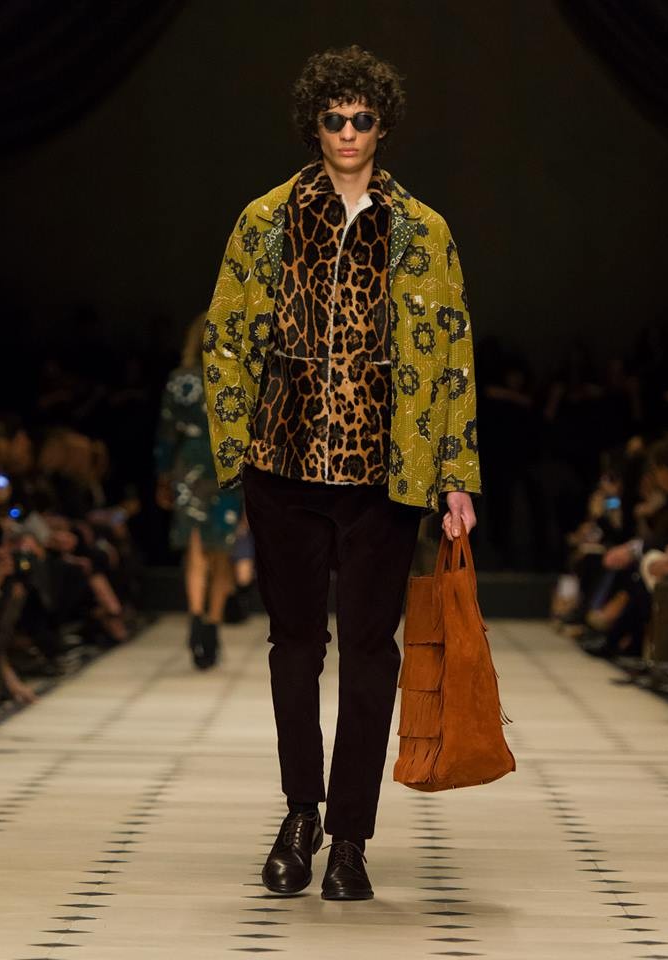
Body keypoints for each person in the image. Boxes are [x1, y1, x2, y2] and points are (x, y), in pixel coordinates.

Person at [203, 45, 480, 900]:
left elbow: (452, 356)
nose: (348, 131)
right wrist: (235, 450)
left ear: (381, 125)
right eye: (334, 118)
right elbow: (226, 336)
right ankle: (301, 814)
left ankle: (350, 837)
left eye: (362, 118)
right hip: (282, 467)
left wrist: (455, 474)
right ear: (314, 124)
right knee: (294, 647)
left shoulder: (422, 230)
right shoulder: (266, 219)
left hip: (381, 477)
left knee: (368, 653)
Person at [155, 314, 243, 669]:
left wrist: (163, 476)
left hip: (189, 462)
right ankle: (212, 625)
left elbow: (165, 432)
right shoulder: (238, 375)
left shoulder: (180, 380)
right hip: (226, 461)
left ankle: (195, 619)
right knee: (221, 548)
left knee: (195, 547)